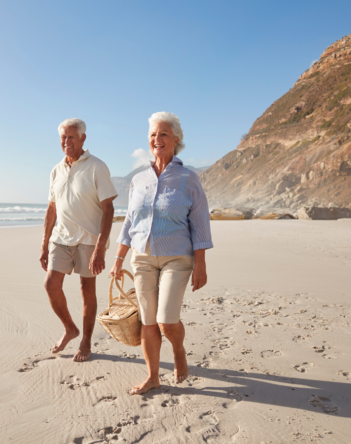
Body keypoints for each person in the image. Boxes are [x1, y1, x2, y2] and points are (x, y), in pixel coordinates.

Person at [109, 111, 213, 394]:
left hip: (177, 258)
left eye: (163, 134)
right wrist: (119, 258)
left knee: (167, 321)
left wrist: (200, 265)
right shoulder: (138, 180)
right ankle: (153, 376)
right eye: (153, 135)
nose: (157, 139)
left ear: (176, 140)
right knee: (148, 320)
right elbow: (130, 221)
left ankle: (178, 350)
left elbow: (200, 223)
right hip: (141, 257)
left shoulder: (188, 179)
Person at [40, 118, 118, 362]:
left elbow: (109, 209)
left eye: (71, 137)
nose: (66, 142)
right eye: (63, 137)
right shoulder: (56, 169)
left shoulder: (97, 166)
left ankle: (85, 341)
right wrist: (44, 243)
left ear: (83, 138)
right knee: (51, 284)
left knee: (87, 290)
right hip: (61, 237)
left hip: (89, 238)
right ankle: (70, 329)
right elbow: (52, 209)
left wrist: (100, 248)